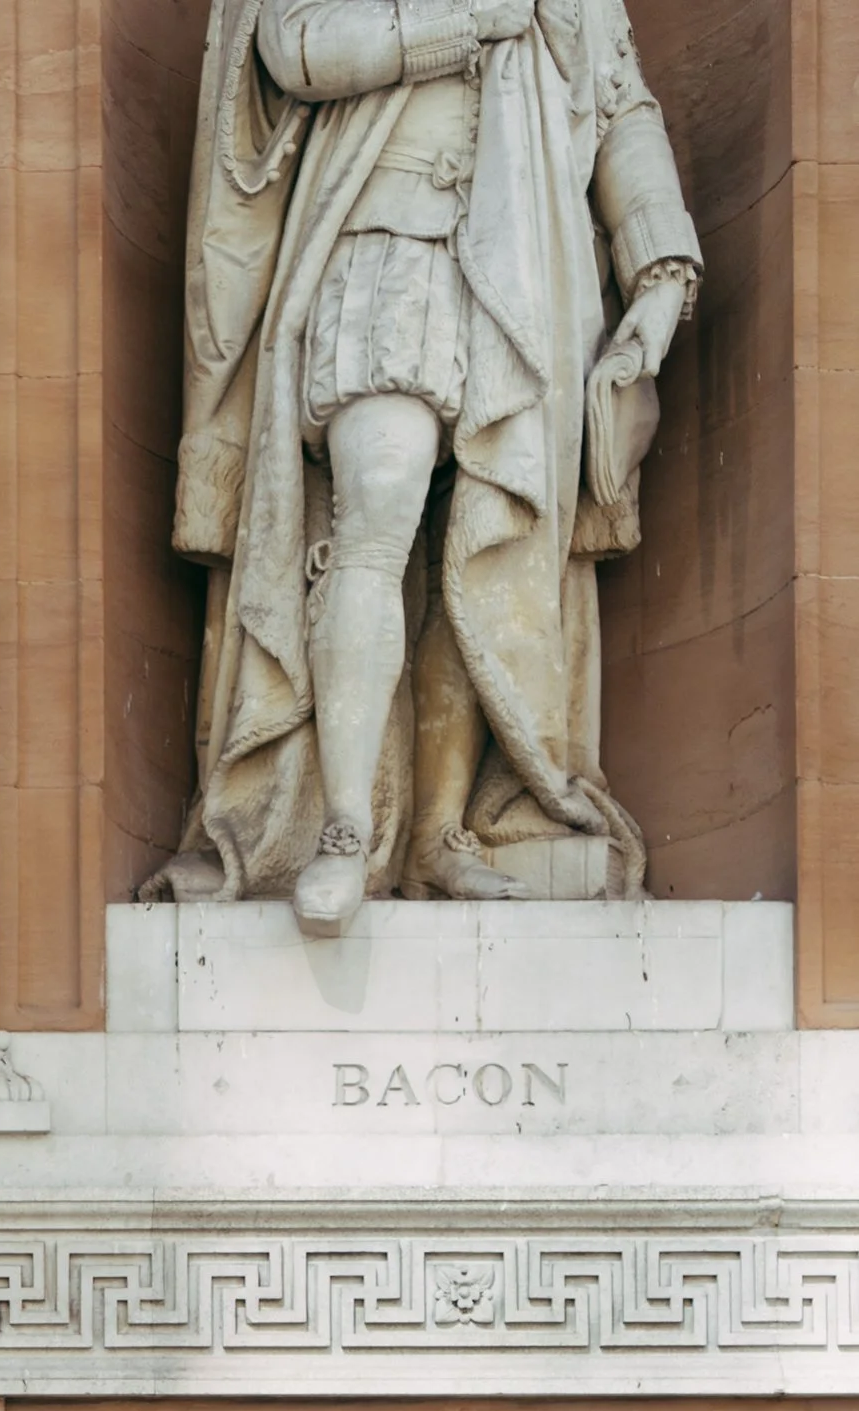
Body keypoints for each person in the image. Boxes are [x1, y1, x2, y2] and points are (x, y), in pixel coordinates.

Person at [152, 0, 699, 929]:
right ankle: (344, 828)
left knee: (482, 537)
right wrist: (474, 19)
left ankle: (441, 834)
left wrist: (660, 276)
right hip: (382, 240)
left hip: (527, 273)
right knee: (379, 500)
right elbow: (295, 44)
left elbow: (620, 110)